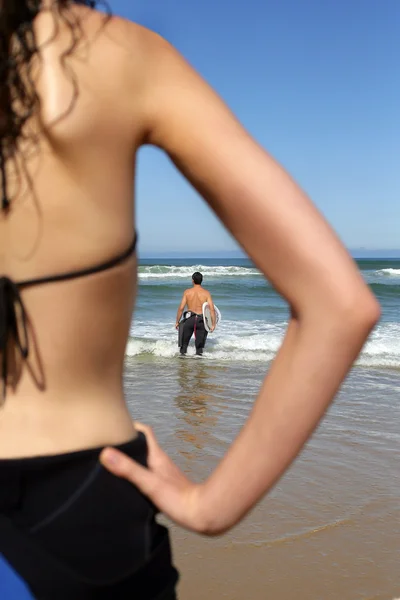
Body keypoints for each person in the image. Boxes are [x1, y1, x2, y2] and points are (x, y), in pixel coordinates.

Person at [0, 0, 380, 598]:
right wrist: (208, 508)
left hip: (175, 341)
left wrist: (193, 321)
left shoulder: (187, 290)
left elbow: (189, 311)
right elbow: (341, 302)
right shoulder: (116, 52)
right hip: (80, 503)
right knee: (193, 361)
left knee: (189, 359)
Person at [175, 272, 215, 356]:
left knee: (183, 346)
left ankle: (183, 366)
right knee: (199, 348)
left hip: (189, 319)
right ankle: (199, 368)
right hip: (201, 320)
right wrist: (213, 324)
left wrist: (177, 321)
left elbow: (181, 308)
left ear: (192, 280)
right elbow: (211, 309)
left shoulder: (187, 292)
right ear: (202, 281)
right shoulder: (206, 293)